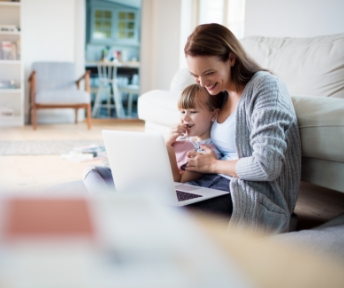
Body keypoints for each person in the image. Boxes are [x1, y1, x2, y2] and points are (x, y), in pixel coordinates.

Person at [84, 23, 301, 233]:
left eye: (208, 73)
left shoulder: (265, 87)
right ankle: (120, 214)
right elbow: (201, 132)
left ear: (231, 59)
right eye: (195, 75)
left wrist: (213, 165)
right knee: (97, 173)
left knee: (163, 213)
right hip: (205, 180)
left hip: (243, 191)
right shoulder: (219, 94)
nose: (202, 82)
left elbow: (267, 166)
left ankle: (120, 218)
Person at [166, 84, 223, 183]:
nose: (185, 118)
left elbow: (179, 181)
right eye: (182, 112)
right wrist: (167, 141)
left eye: (193, 112)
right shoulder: (179, 139)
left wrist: (167, 147)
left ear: (213, 115)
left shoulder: (208, 153)